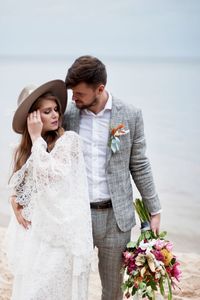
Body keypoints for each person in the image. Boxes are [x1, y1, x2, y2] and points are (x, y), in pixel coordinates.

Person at [63, 55, 162, 300]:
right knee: (72, 287)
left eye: (79, 94)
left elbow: (139, 164)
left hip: (115, 221)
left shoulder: (130, 115)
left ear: (100, 89)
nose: (73, 98)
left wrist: (154, 209)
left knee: (113, 289)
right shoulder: (67, 116)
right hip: (77, 218)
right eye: (72, 93)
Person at [5, 79, 93, 300]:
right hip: (34, 237)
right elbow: (19, 186)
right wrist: (13, 199)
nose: (55, 115)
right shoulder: (22, 151)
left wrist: (36, 139)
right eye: (47, 111)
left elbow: (49, 175)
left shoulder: (68, 142)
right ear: (32, 117)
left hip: (60, 238)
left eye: (56, 110)